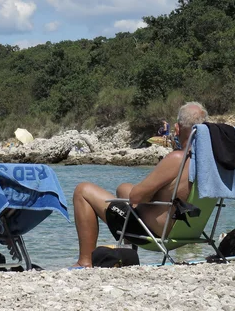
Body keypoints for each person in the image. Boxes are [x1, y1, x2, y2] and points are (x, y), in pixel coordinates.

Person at [72, 102, 208, 267]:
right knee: (124, 187)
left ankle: (84, 262)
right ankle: (129, 254)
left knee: (82, 190)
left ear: (177, 129)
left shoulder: (177, 159)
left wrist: (147, 195)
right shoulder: (208, 162)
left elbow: (136, 196)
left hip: (155, 231)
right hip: (187, 229)